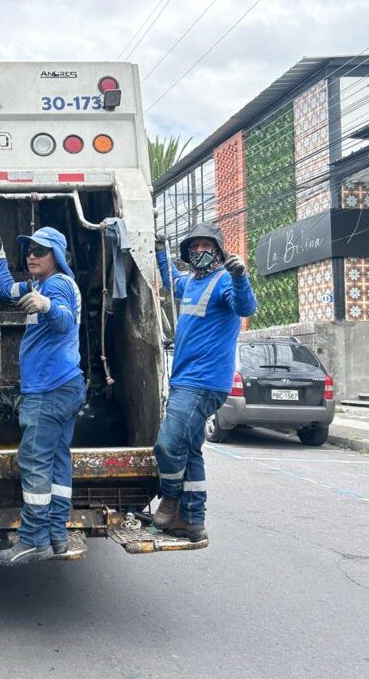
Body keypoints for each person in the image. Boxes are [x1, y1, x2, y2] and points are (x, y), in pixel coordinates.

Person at [0, 226, 86, 566]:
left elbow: (64, 320)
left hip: (49, 389)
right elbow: (6, 289)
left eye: (40, 250)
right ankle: (56, 534)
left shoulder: (56, 285)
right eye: (28, 250)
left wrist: (46, 306)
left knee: (35, 461)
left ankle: (33, 540)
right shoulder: (37, 285)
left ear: (56, 255)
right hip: (62, 387)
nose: (31, 255)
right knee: (57, 462)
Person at [154, 222, 257, 542]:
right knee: (190, 450)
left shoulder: (224, 280)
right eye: (194, 246)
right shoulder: (190, 283)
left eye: (207, 246)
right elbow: (171, 280)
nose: (200, 251)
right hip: (186, 379)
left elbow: (246, 307)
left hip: (203, 382)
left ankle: (170, 497)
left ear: (218, 252)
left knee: (168, 444)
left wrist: (240, 277)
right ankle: (192, 520)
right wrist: (159, 251)